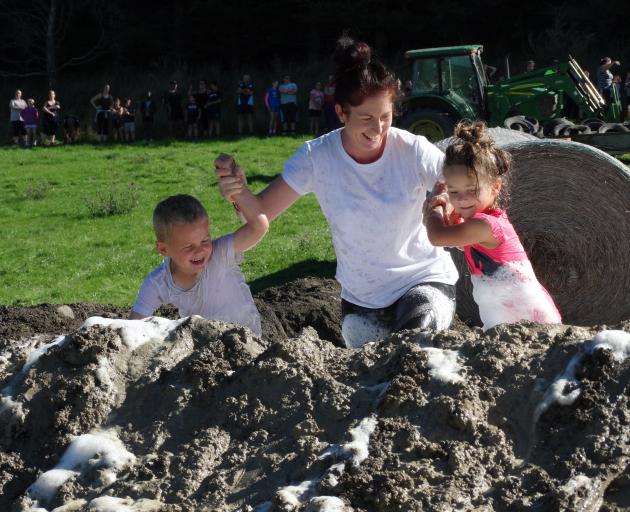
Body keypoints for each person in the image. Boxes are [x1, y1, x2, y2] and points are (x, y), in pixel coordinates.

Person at [216, 36, 459, 348]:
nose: (379, 129)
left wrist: (445, 200)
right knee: (371, 371)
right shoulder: (317, 157)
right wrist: (239, 191)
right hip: (363, 299)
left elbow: (458, 185)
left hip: (423, 280)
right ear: (342, 113)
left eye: (386, 117)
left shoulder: (412, 150)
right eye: (366, 118)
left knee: (413, 346)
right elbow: (262, 210)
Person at [423, 120, 562, 331]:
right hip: (512, 319)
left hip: (531, 322)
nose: (461, 199)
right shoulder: (480, 222)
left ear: (496, 187)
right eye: (454, 192)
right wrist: (445, 208)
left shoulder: (485, 225)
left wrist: (437, 202)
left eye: (471, 190)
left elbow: (438, 236)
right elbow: (453, 225)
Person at [129, 186, 269, 337]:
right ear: (163, 249)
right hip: (206, 349)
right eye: (188, 246)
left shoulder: (220, 254)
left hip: (249, 341)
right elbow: (134, 327)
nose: (199, 251)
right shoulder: (159, 283)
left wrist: (238, 192)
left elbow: (258, 227)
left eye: (204, 240)